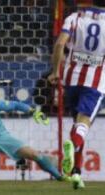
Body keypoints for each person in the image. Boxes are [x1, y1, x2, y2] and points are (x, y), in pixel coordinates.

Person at [48, 0, 105, 189]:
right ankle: (72, 144)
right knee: (83, 124)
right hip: (95, 83)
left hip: (71, 80)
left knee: (77, 125)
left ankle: (76, 173)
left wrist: (55, 71)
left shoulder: (74, 18)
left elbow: (59, 45)